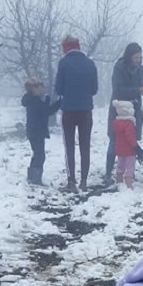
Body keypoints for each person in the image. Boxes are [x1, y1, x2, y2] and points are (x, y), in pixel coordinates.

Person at [54, 34, 98, 193]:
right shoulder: (90, 64)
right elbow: (94, 90)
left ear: (65, 48)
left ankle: (71, 181)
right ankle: (84, 180)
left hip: (69, 111)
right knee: (85, 145)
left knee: (69, 146)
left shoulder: (63, 63)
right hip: (86, 110)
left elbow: (58, 89)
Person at [104, 42, 143, 186]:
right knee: (115, 140)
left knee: (132, 141)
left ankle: (129, 172)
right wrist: (138, 90)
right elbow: (118, 89)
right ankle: (109, 173)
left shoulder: (142, 70)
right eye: (135, 57)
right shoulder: (119, 68)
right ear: (129, 56)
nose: (138, 60)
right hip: (118, 109)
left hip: (134, 110)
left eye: (139, 57)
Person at [21, 77, 60, 186]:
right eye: (41, 87)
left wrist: (47, 101)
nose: (43, 90)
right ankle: (35, 179)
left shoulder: (31, 100)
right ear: (34, 89)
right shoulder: (35, 102)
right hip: (37, 132)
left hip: (32, 131)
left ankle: (31, 177)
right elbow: (47, 111)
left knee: (36, 154)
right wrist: (59, 103)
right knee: (40, 155)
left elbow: (43, 110)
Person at [111, 100, 138, 190]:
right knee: (130, 166)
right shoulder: (129, 123)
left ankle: (119, 180)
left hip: (119, 148)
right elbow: (130, 137)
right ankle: (129, 183)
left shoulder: (116, 123)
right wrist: (136, 146)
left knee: (120, 165)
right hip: (129, 149)